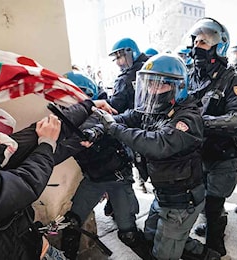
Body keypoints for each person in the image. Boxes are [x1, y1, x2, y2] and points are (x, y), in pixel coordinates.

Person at [0, 92, 115, 259]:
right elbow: (26, 182)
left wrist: (89, 107)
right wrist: (47, 143)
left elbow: (40, 133)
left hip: (34, 246)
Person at [94, 54, 220, 260]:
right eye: (149, 83)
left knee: (164, 253)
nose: (152, 90)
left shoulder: (187, 117)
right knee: (153, 235)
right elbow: (129, 117)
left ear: (177, 87)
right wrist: (102, 124)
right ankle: (208, 256)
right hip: (164, 194)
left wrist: (114, 129)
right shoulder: (156, 108)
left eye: (159, 85)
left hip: (182, 200)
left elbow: (157, 144)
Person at [53, 72, 147, 259]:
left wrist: (91, 134)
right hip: (94, 179)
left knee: (128, 233)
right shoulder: (69, 121)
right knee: (72, 223)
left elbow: (98, 125)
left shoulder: (100, 115)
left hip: (117, 178)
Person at [185, 17, 237, 256]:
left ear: (218, 46)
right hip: (196, 151)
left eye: (204, 41)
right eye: (196, 41)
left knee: (215, 202)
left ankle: (215, 243)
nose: (197, 46)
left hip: (222, 153)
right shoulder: (190, 76)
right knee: (199, 195)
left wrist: (201, 123)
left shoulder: (231, 79)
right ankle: (208, 224)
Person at [108, 37, 150, 195]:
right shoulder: (151, 67)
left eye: (120, 57)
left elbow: (115, 106)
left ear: (131, 52)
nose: (119, 62)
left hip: (134, 129)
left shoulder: (124, 80)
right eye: (116, 58)